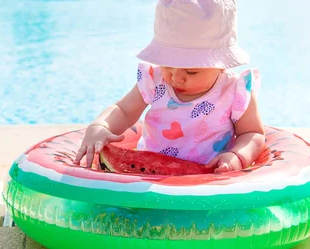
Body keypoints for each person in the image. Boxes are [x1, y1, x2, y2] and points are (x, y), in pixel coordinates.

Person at [74, 0, 265, 173]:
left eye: (191, 72)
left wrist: (237, 156)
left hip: (208, 177)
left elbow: (252, 133)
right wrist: (100, 125)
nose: (176, 77)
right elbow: (123, 111)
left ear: (222, 65)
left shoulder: (234, 91)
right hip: (148, 176)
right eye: (167, 65)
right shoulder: (155, 80)